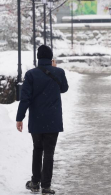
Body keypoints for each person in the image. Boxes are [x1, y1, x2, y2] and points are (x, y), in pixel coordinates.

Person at [16, 45, 68, 195]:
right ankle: (46, 187)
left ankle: (35, 182)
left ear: (38, 57)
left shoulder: (31, 74)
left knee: (37, 150)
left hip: (37, 120)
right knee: (49, 153)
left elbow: (25, 98)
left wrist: (20, 118)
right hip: (53, 120)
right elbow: (64, 88)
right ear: (51, 58)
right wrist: (55, 69)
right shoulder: (58, 72)